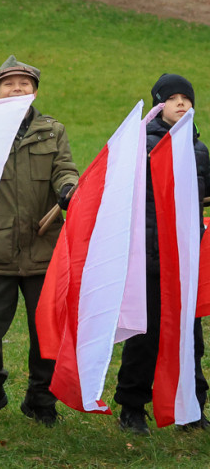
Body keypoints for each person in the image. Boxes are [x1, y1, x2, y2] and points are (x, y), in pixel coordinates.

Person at [0, 55, 78, 427]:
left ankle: (41, 400)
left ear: (34, 91)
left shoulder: (52, 131)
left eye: (24, 84)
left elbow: (64, 168)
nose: (17, 88)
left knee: (47, 331)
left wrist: (69, 189)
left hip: (44, 249)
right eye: (8, 84)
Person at [114, 73, 209, 434]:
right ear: (158, 105)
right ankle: (132, 408)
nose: (181, 103)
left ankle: (192, 408)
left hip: (186, 263)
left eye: (186, 98)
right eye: (172, 98)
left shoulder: (198, 149)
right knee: (145, 337)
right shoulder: (141, 145)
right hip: (150, 261)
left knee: (190, 339)